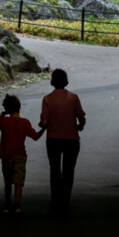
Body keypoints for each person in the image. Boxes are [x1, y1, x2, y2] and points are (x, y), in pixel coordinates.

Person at [38, 68, 86, 216]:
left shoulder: (47, 99)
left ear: (53, 81)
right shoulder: (73, 97)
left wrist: (42, 125)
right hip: (71, 140)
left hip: (53, 139)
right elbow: (81, 118)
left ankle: (55, 201)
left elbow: (44, 121)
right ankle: (65, 201)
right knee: (68, 171)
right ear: (65, 81)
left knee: (55, 170)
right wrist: (80, 126)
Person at [0, 94, 41, 214]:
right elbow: (36, 136)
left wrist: (3, 113)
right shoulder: (25, 122)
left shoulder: (4, 121)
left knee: (7, 182)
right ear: (19, 107)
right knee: (18, 182)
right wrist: (45, 128)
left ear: (6, 108)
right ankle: (17, 205)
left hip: (6, 156)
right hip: (20, 156)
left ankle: (7, 204)